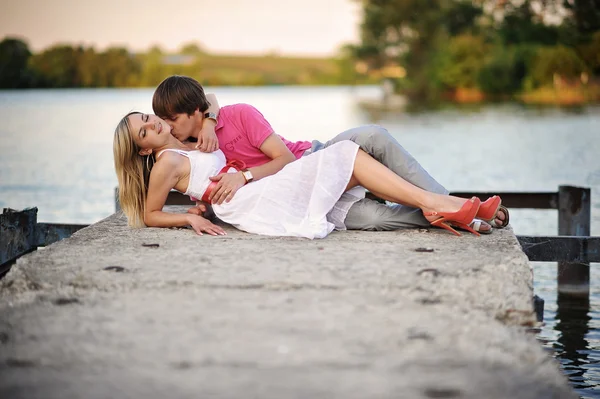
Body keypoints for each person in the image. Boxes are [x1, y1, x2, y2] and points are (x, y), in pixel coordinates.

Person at [151, 75, 509, 233]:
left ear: (195, 111)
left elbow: (285, 160)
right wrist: (204, 206)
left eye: (172, 118)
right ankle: (470, 217)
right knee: (375, 220)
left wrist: (237, 166)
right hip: (294, 197)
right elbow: (203, 183)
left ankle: (449, 203)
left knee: (373, 135)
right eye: (163, 121)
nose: (168, 125)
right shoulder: (185, 148)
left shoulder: (237, 114)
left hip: (309, 160)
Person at [113, 112, 506, 239]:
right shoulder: (166, 161)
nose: (153, 125)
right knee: (347, 156)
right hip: (251, 201)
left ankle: (451, 210)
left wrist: (212, 120)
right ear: (144, 150)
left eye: (148, 119)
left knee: (352, 163)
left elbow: (206, 103)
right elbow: (149, 214)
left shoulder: (193, 138)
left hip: (259, 192)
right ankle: (446, 205)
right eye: (143, 131)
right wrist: (189, 217)